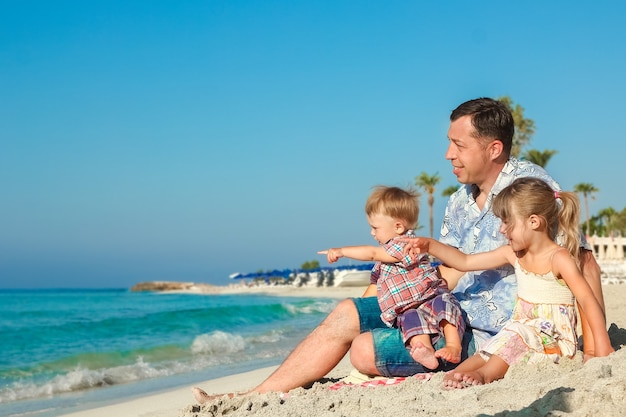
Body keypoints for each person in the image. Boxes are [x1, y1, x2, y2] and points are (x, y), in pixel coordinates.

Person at [192, 97, 606, 403]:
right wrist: (388, 297)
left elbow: (582, 260)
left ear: (493, 148)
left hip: (492, 337)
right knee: (347, 313)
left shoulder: (528, 188)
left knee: (362, 349)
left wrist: (597, 348)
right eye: (449, 143)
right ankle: (253, 394)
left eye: (459, 145)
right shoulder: (460, 200)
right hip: (444, 308)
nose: (448, 154)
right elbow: (449, 268)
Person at [401, 177, 614, 388]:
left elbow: (587, 300)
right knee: (492, 346)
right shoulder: (513, 254)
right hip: (519, 334)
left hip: (552, 341)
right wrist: (429, 245)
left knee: (513, 336)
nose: (502, 230)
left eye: (507, 222)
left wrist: (600, 347)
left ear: (534, 222)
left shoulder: (558, 258)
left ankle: (484, 376)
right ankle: (459, 372)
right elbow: (465, 261)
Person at [318, 185, 465, 369]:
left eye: (375, 228)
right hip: (408, 308)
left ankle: (454, 346)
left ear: (398, 227)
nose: (372, 233)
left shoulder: (405, 244)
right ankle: (424, 350)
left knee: (445, 310)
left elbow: (371, 253)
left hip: (429, 298)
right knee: (412, 324)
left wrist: (341, 251)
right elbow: (375, 287)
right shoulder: (386, 260)